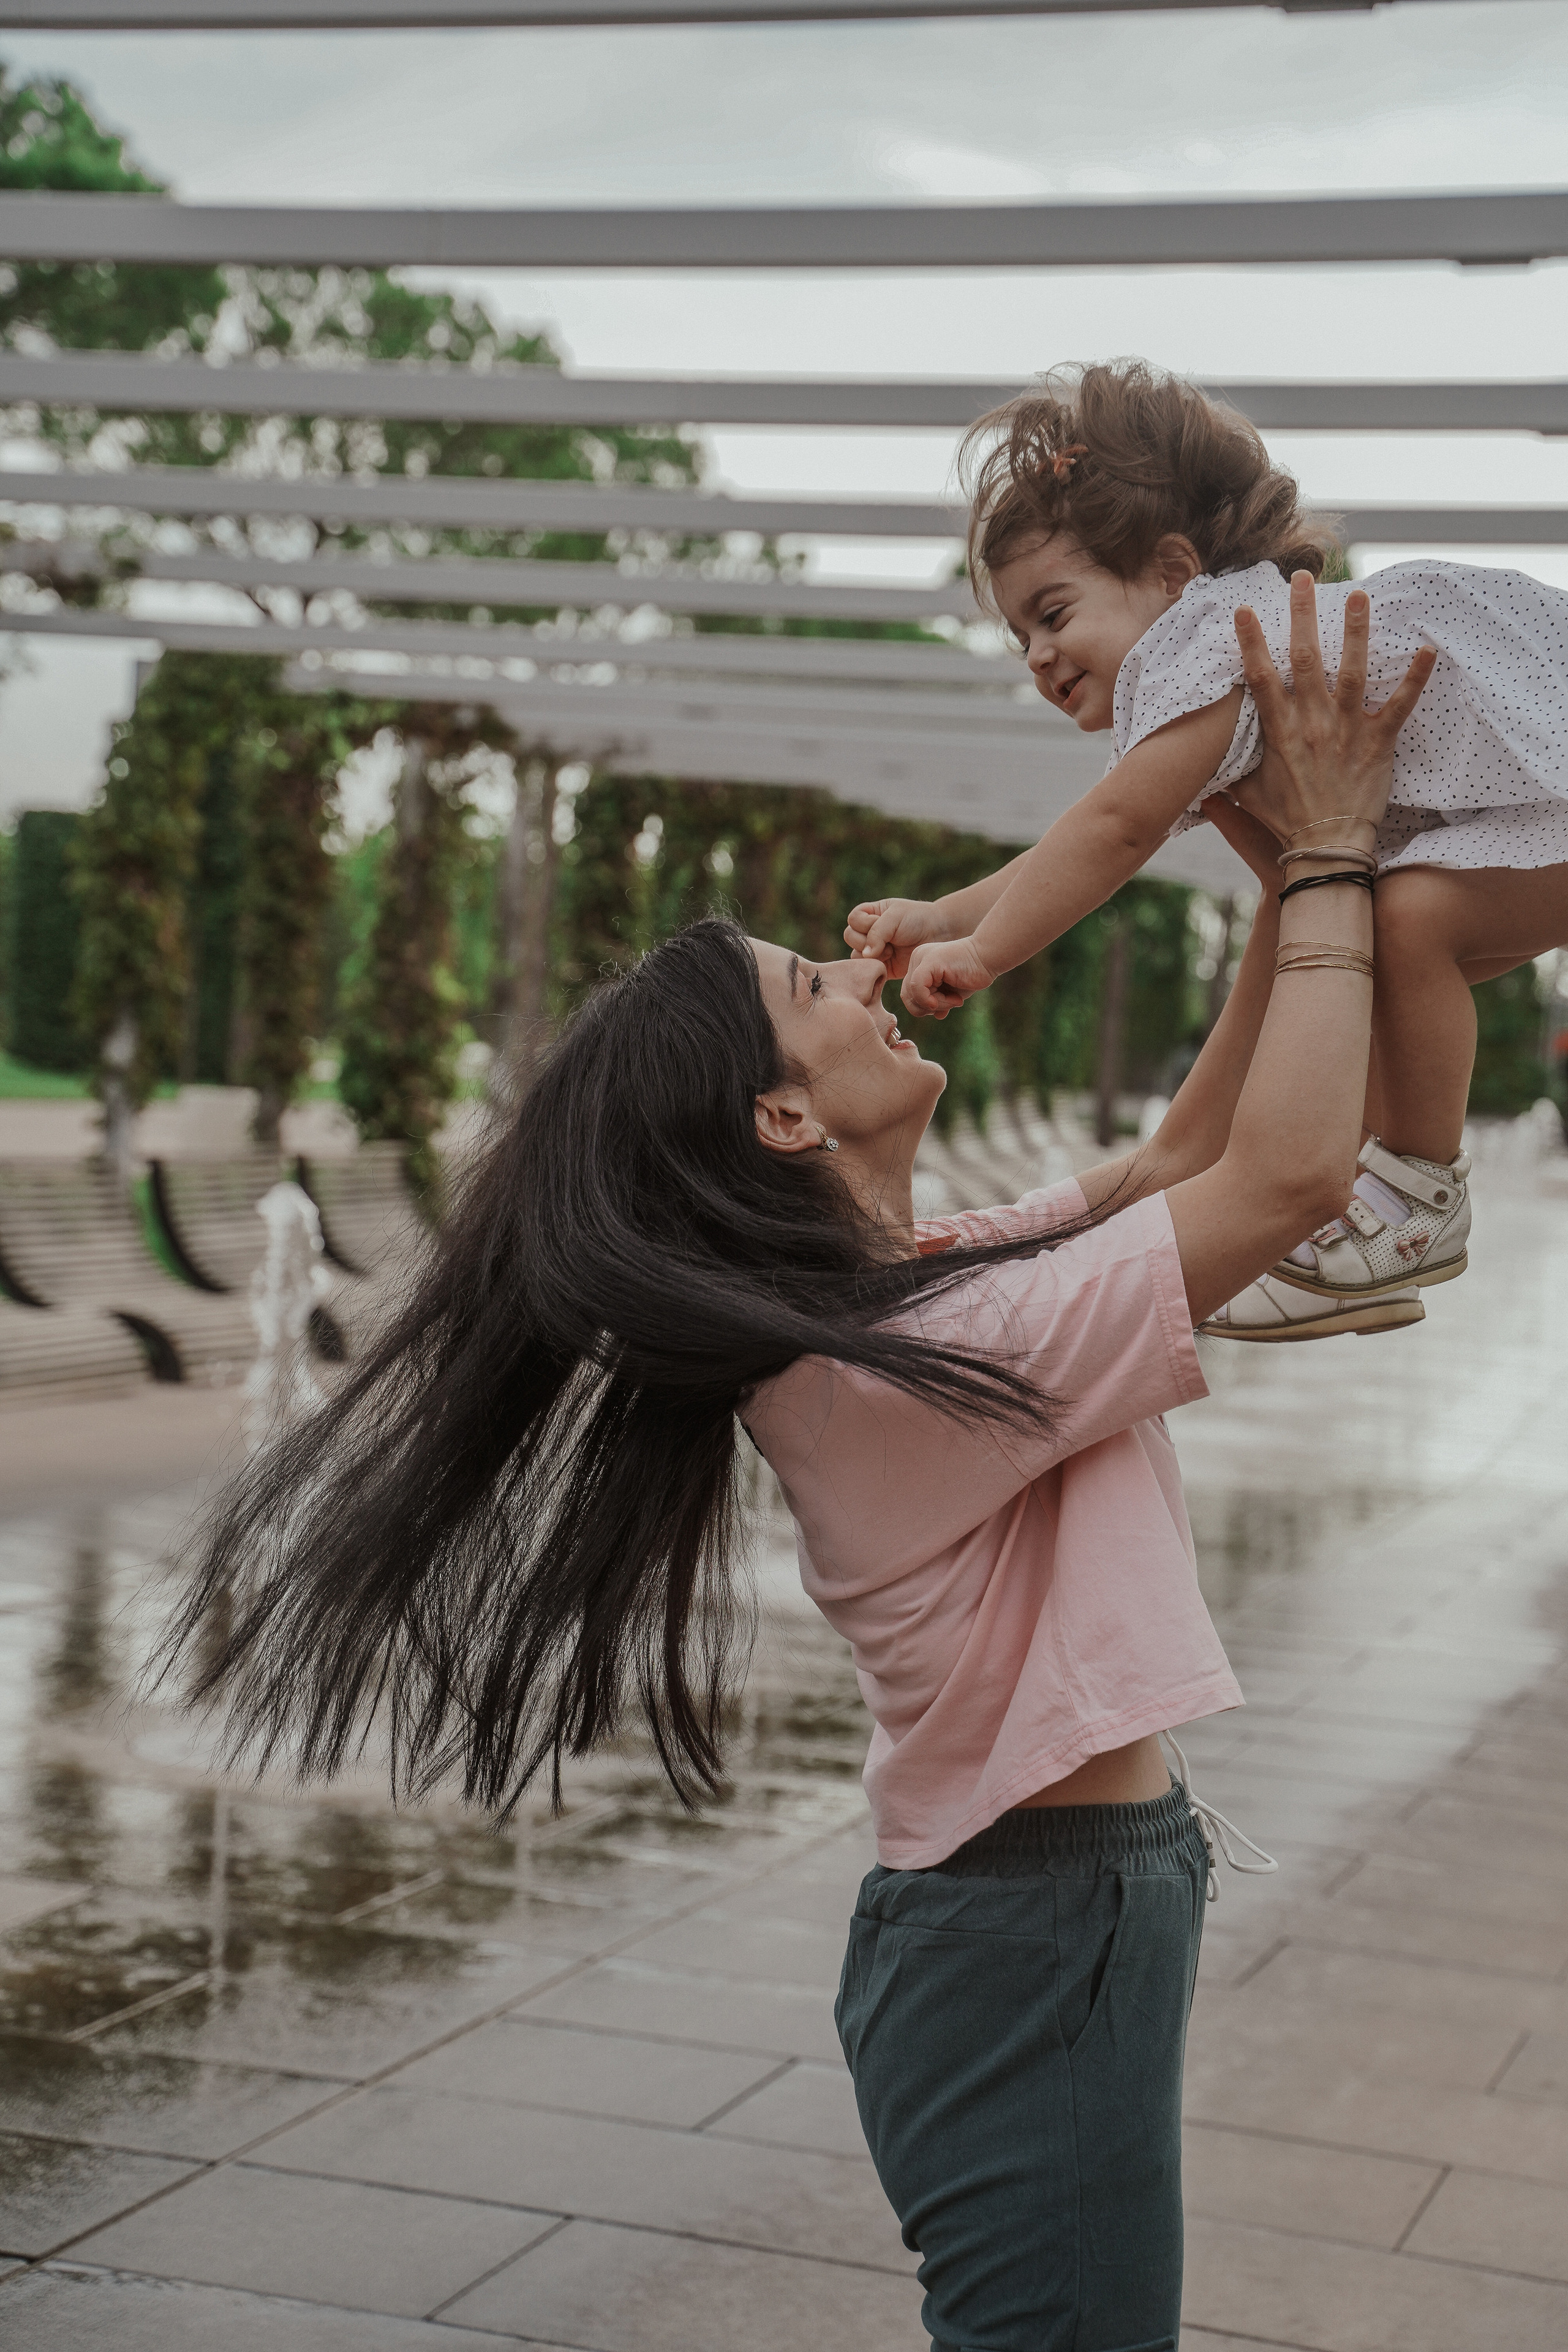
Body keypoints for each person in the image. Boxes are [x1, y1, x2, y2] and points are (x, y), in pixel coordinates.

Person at [163, 580, 1430, 2352]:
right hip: (1028, 1925)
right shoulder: (920, 1367)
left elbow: (1176, 1168)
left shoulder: (911, 1300)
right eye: (808, 986)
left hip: (1034, 1912)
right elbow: (1285, 1179)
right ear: (781, 1114)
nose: (859, 971)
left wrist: (1278, 860)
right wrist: (1339, 854)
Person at [846, 360, 1568, 1341]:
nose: (1039, 655)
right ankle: (1366, 1215)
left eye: (1054, 613)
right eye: (1020, 637)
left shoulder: (1211, 647)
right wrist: (943, 915)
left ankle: (1416, 1193)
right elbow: (1100, 827)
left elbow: (1111, 830)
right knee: (1377, 939)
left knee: (1405, 920)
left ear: (1173, 575)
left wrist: (980, 949)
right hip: (1531, 810)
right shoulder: (1217, 674)